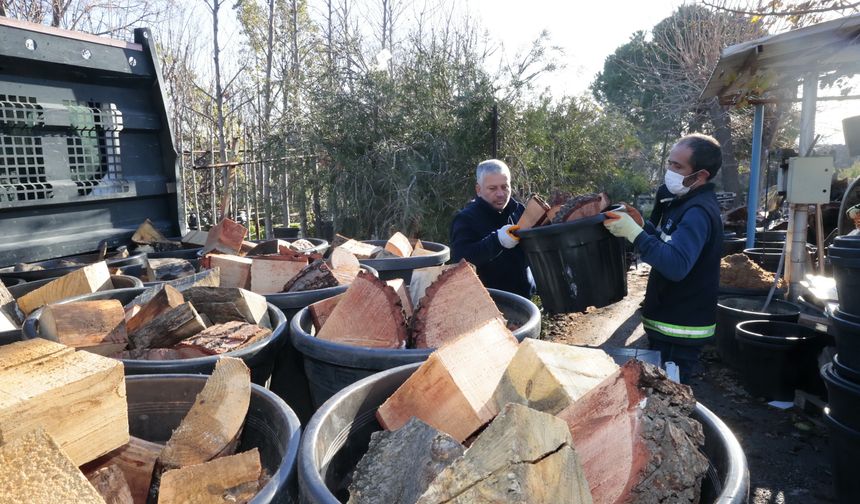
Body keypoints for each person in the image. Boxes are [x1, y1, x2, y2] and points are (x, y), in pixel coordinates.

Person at [604, 133, 724, 382]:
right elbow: (666, 243)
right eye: (670, 163)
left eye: (677, 166)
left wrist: (635, 234)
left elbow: (676, 264)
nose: (669, 170)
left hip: (681, 331)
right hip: (668, 324)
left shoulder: (698, 212)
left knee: (671, 399)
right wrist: (641, 225)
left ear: (701, 175)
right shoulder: (680, 202)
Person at [450, 159, 531, 298]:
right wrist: (497, 241)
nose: (500, 194)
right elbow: (461, 259)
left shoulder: (519, 210)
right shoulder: (466, 219)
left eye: (505, 187)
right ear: (478, 190)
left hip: (525, 301)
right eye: (492, 188)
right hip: (490, 305)